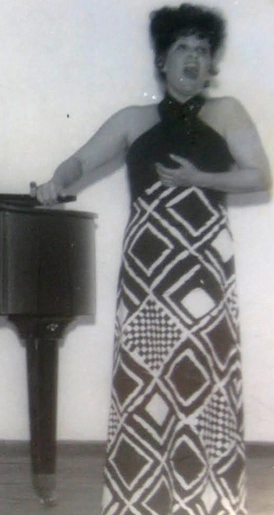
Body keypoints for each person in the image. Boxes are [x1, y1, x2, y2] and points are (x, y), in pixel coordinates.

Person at [34, 4, 270, 514]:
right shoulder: (133, 120)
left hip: (206, 266)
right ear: (163, 61)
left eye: (202, 51)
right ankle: (141, 502)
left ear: (211, 66)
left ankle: (210, 502)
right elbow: (79, 160)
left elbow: (260, 176)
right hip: (147, 270)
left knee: (205, 377)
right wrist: (58, 180)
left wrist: (201, 180)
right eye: (182, 48)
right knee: (145, 381)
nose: (193, 58)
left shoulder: (227, 112)